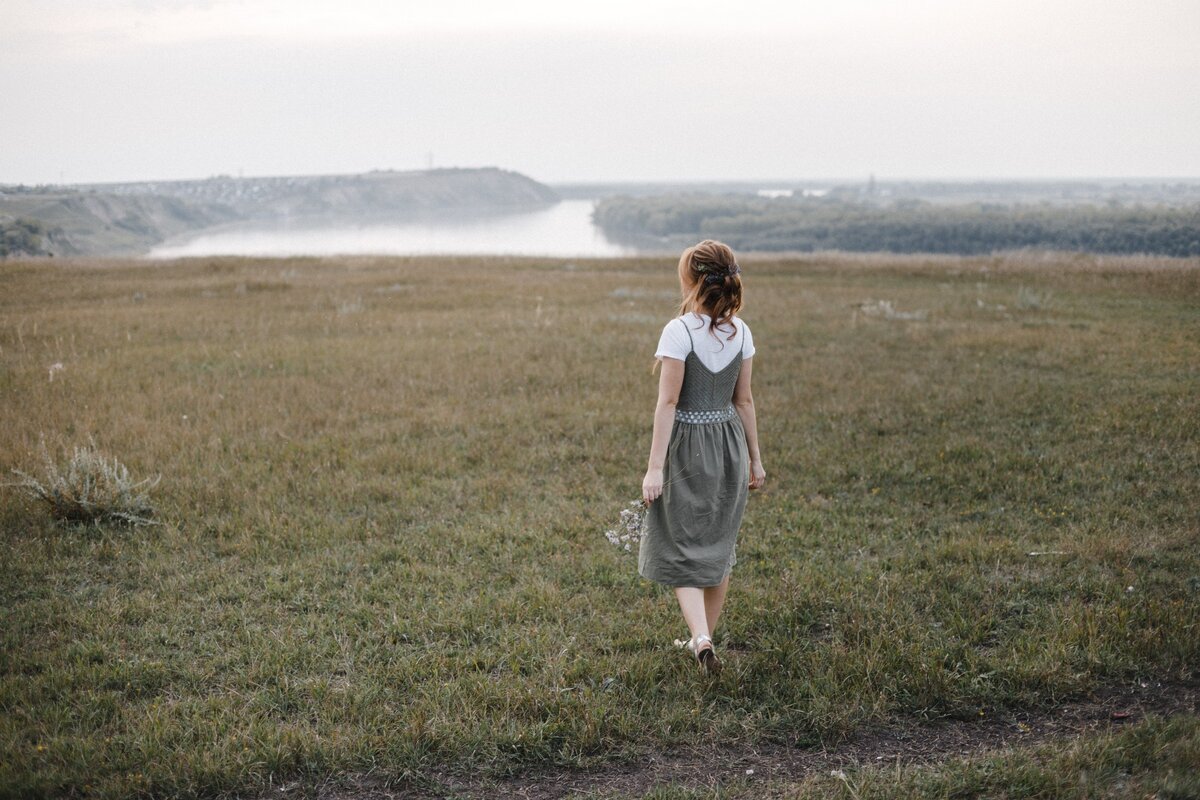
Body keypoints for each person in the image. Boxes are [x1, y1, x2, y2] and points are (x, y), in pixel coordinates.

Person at [639, 239, 766, 676]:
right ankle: (703, 634)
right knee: (716, 544)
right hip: (729, 445)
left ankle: (701, 637)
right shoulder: (743, 331)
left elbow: (668, 404)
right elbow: (744, 401)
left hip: (688, 446)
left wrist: (655, 467)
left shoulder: (679, 331)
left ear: (691, 281)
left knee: (679, 543)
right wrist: (755, 459)